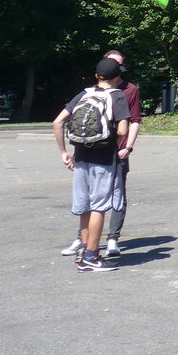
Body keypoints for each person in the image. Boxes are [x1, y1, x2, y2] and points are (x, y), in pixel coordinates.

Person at [59, 48, 141, 258]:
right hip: (105, 158)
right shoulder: (115, 95)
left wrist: (63, 152)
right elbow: (123, 129)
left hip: (85, 156)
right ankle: (90, 253)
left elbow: (58, 122)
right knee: (99, 206)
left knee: (88, 205)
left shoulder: (86, 93)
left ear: (97, 75)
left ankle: (90, 247)